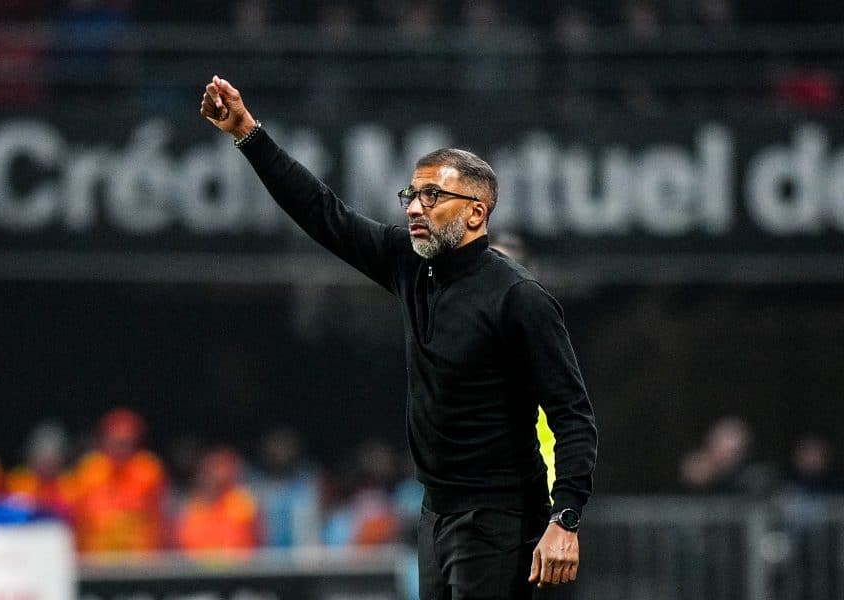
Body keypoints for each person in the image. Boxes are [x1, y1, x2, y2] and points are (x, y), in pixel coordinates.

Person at [200, 76, 597, 598]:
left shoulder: (519, 299)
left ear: (477, 212)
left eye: (433, 196)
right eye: (412, 194)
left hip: (501, 516)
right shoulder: (409, 267)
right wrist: (248, 134)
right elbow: (324, 213)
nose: (413, 207)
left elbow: (573, 416)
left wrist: (564, 520)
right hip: (436, 514)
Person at [72, 408, 167, 553]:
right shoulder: (89, 471)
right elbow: (78, 519)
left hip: (139, 561)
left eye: (125, 441)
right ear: (104, 440)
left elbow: (159, 518)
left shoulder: (149, 471)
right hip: (97, 560)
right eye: (115, 440)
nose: (120, 447)